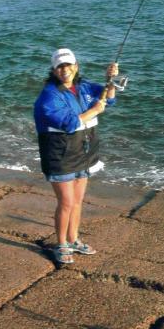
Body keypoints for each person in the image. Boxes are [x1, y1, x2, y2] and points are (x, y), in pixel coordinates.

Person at [34, 48, 118, 264]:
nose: (65, 70)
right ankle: (60, 243)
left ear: (76, 66)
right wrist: (94, 111)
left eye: (68, 65)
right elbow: (69, 123)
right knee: (66, 202)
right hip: (60, 152)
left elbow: (108, 97)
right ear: (54, 70)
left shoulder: (84, 86)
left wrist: (111, 80)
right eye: (60, 66)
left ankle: (73, 239)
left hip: (84, 149)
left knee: (78, 201)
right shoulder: (48, 96)